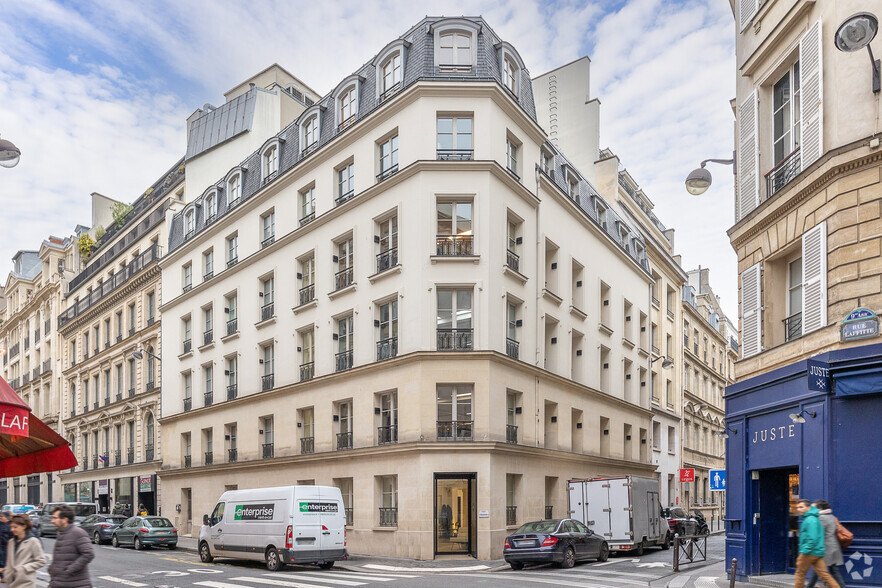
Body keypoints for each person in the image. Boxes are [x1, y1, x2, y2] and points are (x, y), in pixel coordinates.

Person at [793, 499, 840, 588]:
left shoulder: (810, 520)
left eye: (801, 507)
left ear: (808, 507)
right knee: (825, 575)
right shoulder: (813, 518)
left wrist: (805, 551)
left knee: (799, 574)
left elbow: (812, 538)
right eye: (797, 507)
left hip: (809, 552)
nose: (799, 509)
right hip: (817, 551)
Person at [47, 506, 93, 588]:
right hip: (60, 583)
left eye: (55, 518)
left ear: (64, 519)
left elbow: (88, 554)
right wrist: (52, 569)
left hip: (76, 584)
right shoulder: (62, 533)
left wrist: (69, 570)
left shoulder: (78, 533)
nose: (52, 521)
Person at [805, 500, 847, 588]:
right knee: (833, 570)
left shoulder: (821, 518)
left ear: (819, 508)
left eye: (813, 507)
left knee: (818, 570)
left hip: (825, 547)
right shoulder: (831, 516)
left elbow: (817, 534)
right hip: (833, 546)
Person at [1, 514, 46, 587]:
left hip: (26, 582)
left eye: (15, 527)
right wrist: (6, 571)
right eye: (11, 527)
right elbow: (9, 561)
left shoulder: (33, 541)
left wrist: (25, 568)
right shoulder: (11, 542)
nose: (12, 529)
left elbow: (41, 560)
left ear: (24, 526)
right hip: (11, 582)